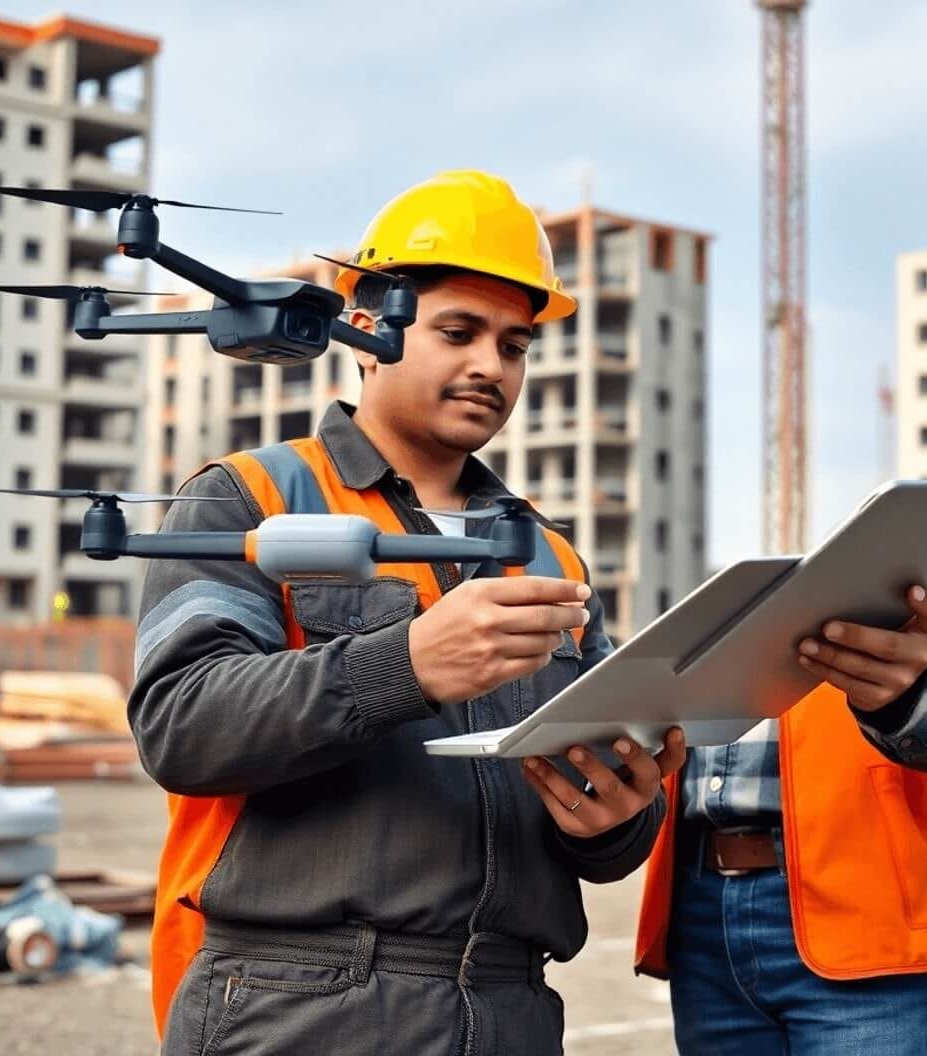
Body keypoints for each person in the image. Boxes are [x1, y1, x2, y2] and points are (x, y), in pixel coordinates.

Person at [130, 169, 685, 1055]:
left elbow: (599, 846)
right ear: (365, 329)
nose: (488, 366)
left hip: (510, 1007)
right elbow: (181, 727)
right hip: (302, 1004)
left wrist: (620, 817)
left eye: (514, 346)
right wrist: (407, 664)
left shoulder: (552, 555)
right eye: (458, 332)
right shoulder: (251, 499)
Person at [634, 555, 927, 1055]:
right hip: (702, 917)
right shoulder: (709, 552)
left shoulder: (918, 536)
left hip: (868, 916)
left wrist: (913, 695)